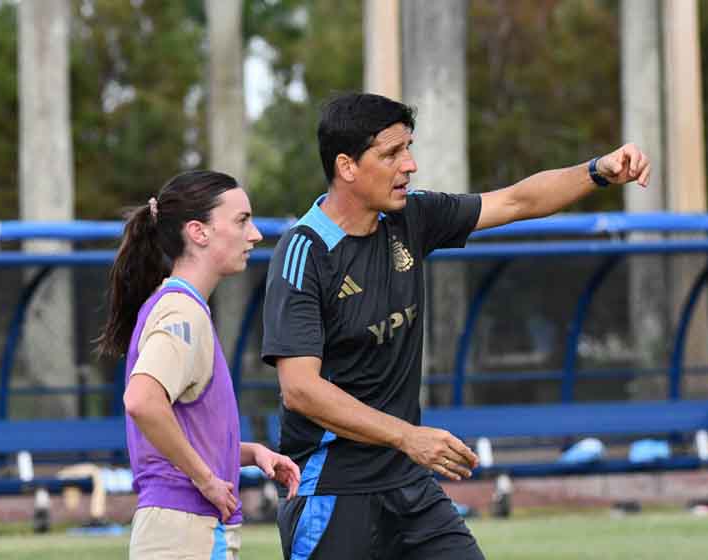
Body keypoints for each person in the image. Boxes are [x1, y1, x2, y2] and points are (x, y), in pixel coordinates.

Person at [261, 93, 650, 559]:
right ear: (347, 166)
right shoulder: (303, 253)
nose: (410, 164)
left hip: (407, 482)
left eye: (408, 148)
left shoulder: (410, 218)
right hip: (333, 490)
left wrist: (596, 171)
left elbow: (515, 201)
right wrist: (409, 436)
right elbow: (300, 389)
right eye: (392, 153)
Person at [97, 170, 301, 560]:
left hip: (175, 526)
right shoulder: (182, 312)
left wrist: (250, 452)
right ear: (198, 232)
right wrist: (206, 479)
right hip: (188, 528)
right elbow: (141, 400)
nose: (255, 235)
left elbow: (178, 428)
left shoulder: (178, 306)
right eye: (242, 221)